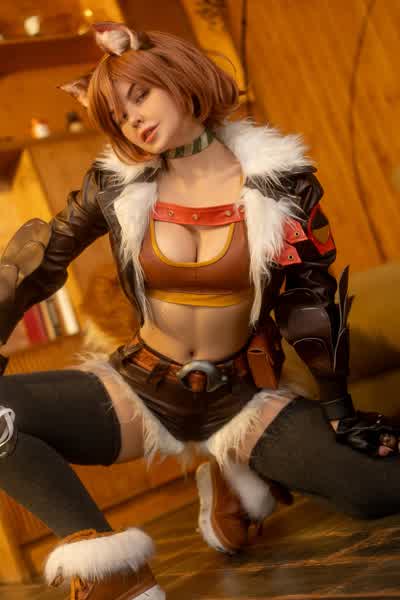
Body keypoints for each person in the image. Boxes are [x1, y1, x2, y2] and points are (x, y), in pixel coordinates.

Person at [0, 21, 400, 600]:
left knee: (376, 489)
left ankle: (234, 470)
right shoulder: (114, 184)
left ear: (178, 77)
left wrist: (340, 411)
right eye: (118, 115)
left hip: (239, 398)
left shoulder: (280, 183)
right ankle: (114, 573)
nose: (134, 120)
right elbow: (43, 260)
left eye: (141, 95)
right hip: (140, 388)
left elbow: (309, 298)